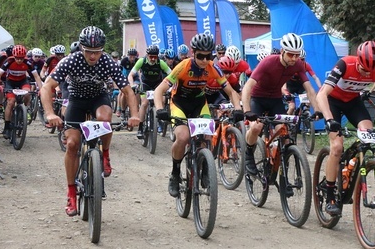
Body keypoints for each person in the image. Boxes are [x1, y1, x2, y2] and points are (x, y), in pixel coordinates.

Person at [41, 26, 140, 216]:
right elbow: (47, 87)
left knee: (105, 119)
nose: (93, 56)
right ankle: (71, 193)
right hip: (76, 100)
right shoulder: (70, 61)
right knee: (72, 144)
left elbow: (127, 90)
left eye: (97, 52)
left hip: (98, 98)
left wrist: (134, 115)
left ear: (102, 50)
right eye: (88, 52)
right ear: (81, 49)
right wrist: (50, 114)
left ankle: (105, 155)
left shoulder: (108, 62)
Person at [315, 40, 375, 216]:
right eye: (364, 69)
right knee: (336, 146)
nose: (368, 73)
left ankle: (349, 171)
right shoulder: (345, 64)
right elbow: (322, 94)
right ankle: (330, 195)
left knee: (368, 134)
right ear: (358, 60)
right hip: (332, 102)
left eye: (371, 71)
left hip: (352, 102)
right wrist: (328, 120)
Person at [153, 33, 243, 197]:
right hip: (179, 103)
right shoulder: (183, 66)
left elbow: (230, 91)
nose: (204, 60)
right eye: (200, 56)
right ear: (193, 52)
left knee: (207, 137)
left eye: (208, 56)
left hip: (199, 104)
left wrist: (237, 108)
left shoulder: (212, 67)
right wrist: (160, 109)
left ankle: (205, 169)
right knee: (182, 137)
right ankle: (175, 173)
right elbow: (160, 90)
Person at [242, 33, 321, 176]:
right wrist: (247, 111)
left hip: (275, 100)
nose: (294, 59)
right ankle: (248, 153)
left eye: (297, 55)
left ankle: (281, 165)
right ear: (283, 51)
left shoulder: (298, 65)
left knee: (283, 132)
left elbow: (309, 89)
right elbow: (248, 87)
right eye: (291, 55)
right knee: (256, 127)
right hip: (258, 98)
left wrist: (317, 110)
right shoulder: (268, 62)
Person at [0, 45, 44, 139]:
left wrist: (41, 89)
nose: (19, 60)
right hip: (10, 82)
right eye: (17, 58)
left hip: (23, 81)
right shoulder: (9, 61)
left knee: (28, 93)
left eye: (21, 58)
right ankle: (7, 126)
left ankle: (24, 109)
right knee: (11, 102)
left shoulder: (28, 62)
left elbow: (37, 77)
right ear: (14, 56)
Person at [128, 45, 172, 140]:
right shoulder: (141, 61)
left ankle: (159, 120)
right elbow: (130, 75)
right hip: (145, 84)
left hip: (157, 85)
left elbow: (172, 75)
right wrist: (132, 85)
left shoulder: (161, 63)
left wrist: (170, 87)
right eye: (151, 56)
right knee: (144, 103)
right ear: (147, 55)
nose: (152, 59)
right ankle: (140, 127)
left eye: (155, 57)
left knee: (163, 101)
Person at [283, 49, 322, 114]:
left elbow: (315, 78)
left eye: (303, 59)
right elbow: (284, 80)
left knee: (307, 102)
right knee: (291, 107)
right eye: (300, 59)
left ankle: (305, 114)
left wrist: (320, 88)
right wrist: (286, 92)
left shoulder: (306, 65)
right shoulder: (290, 65)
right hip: (290, 85)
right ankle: (286, 123)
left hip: (300, 85)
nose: (301, 61)